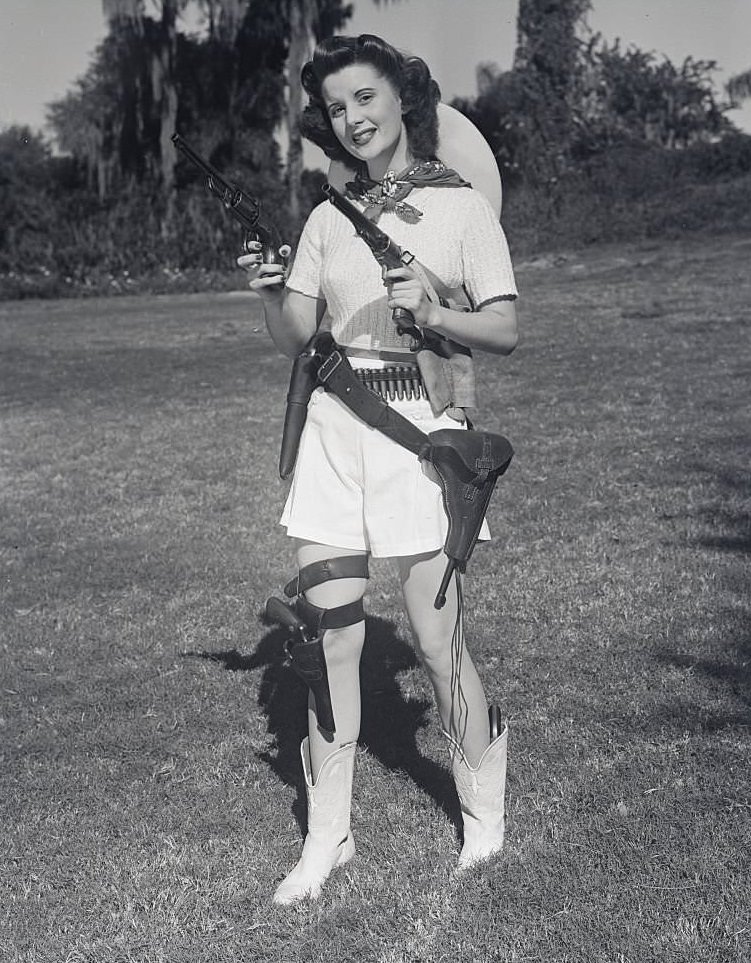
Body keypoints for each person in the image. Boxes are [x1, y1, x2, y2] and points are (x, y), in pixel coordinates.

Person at [238, 33, 518, 905]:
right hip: (333, 429)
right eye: (336, 108)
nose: (352, 118)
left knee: (434, 639)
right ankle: (328, 836)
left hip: (418, 432)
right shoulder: (327, 217)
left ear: (401, 98)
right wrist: (270, 289)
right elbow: (296, 333)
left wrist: (434, 311)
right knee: (330, 639)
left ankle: (482, 811)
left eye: (365, 98)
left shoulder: (459, 207)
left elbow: (504, 328)